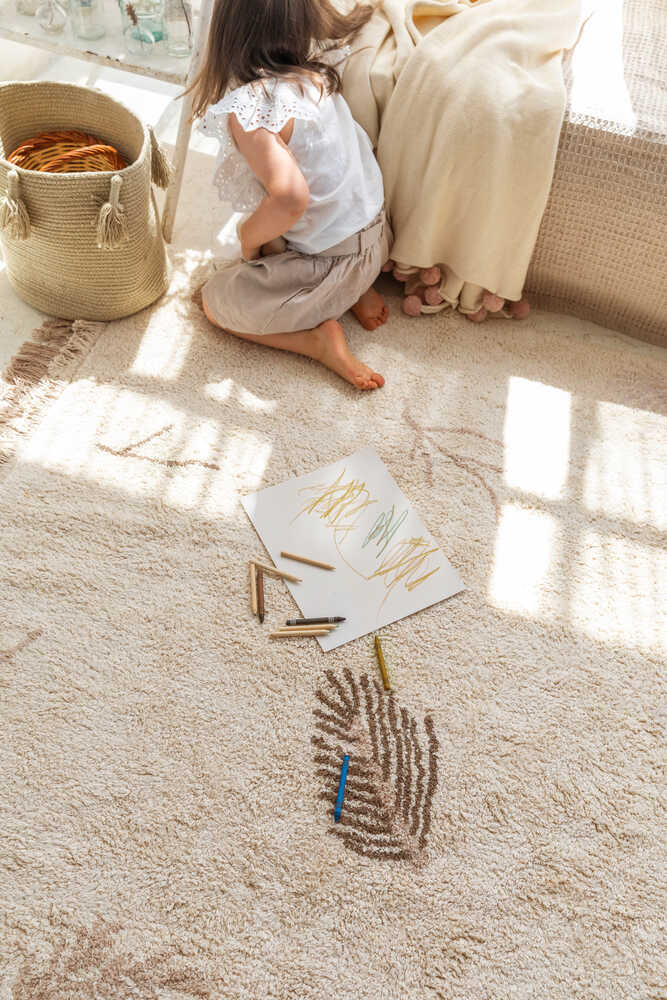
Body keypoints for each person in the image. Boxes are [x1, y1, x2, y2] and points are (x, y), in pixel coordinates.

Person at [190, 0, 392, 390]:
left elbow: (289, 198)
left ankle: (316, 342)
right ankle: (356, 292)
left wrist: (248, 240)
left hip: (334, 264)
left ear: (226, 34)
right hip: (377, 242)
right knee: (298, 216)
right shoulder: (317, 75)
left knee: (214, 302)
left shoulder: (252, 107)